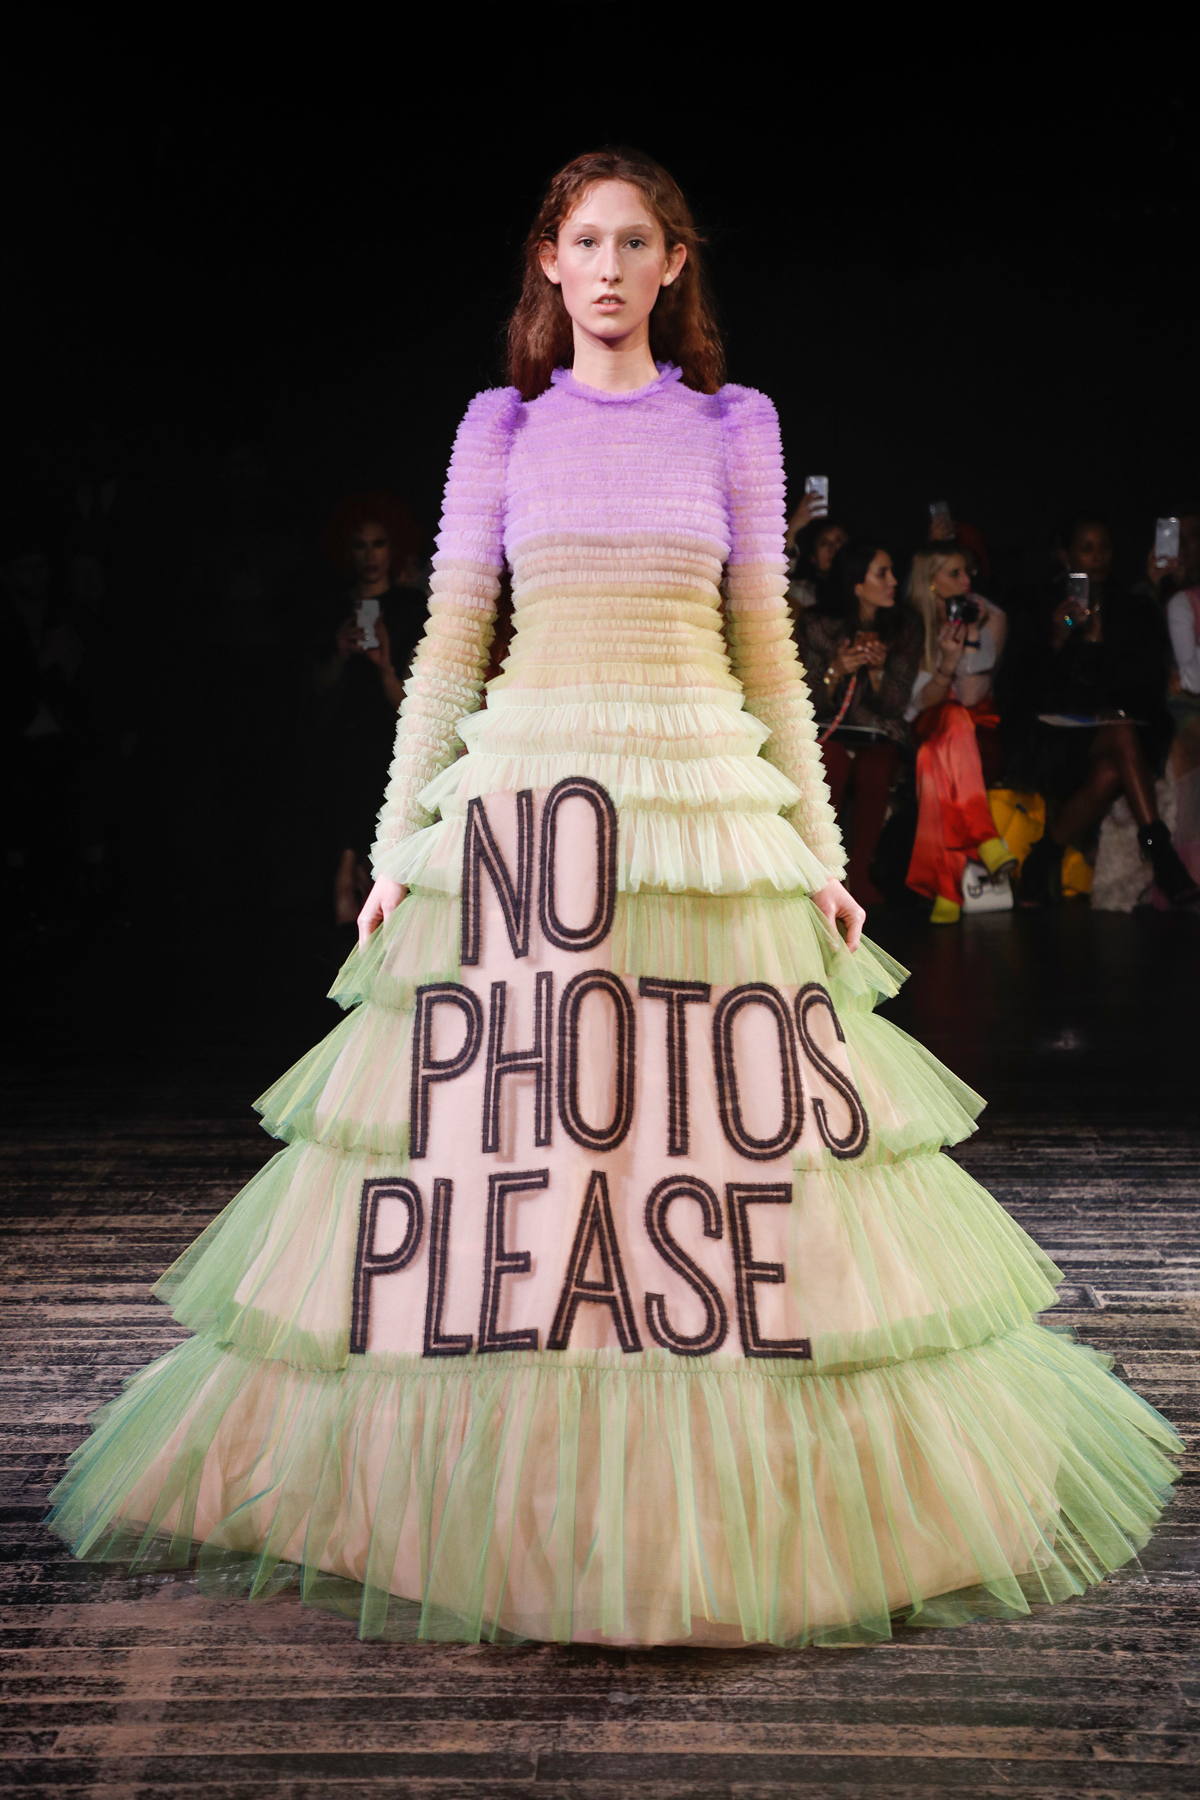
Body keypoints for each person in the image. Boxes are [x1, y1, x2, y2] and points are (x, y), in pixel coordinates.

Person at [44, 147, 1182, 1649]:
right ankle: (524, 1502)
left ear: (670, 266)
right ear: (548, 262)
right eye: (581, 240)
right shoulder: (498, 428)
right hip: (529, 802)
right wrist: (395, 849)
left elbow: (768, 647)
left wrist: (825, 860)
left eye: (633, 241)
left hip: (702, 806)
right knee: (529, 1149)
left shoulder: (734, 424)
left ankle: (710, 1505)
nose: (604, 265)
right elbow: (450, 650)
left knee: (705, 1149)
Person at [1019, 516, 1199, 908]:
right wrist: (1063, 638)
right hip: (1059, 738)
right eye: (1087, 547)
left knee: (1115, 755)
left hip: (1117, 730)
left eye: (1104, 547)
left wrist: (1099, 641)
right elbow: (1034, 688)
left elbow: (1138, 683)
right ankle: (1161, 853)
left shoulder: (1129, 605)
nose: (1098, 556)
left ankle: (1040, 861)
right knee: (1114, 756)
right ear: (1066, 555)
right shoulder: (1042, 604)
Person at [797, 541, 922, 905]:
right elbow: (806, 700)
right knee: (830, 761)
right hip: (829, 730)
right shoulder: (818, 625)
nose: (894, 581)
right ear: (857, 583)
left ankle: (862, 872)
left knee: (877, 766)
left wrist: (880, 672)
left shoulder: (904, 627)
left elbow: (895, 706)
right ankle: (825, 872)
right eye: (882, 573)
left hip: (878, 733)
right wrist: (837, 669)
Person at [904, 546, 1015, 922]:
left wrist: (972, 634)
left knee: (932, 761)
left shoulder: (990, 617)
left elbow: (970, 697)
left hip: (977, 730)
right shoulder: (912, 623)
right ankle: (983, 837)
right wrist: (944, 665)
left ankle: (947, 889)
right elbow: (914, 705)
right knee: (946, 721)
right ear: (931, 581)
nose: (967, 582)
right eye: (955, 574)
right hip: (927, 722)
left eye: (968, 572)